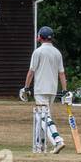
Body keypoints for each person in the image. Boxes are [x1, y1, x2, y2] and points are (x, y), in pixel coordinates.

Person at [22, 26, 67, 155]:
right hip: (52, 90)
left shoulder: (38, 52)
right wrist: (64, 90)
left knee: (43, 117)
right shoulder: (57, 52)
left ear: (40, 37)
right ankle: (39, 146)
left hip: (41, 89)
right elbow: (62, 74)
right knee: (41, 117)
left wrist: (26, 87)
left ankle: (58, 140)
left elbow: (31, 72)